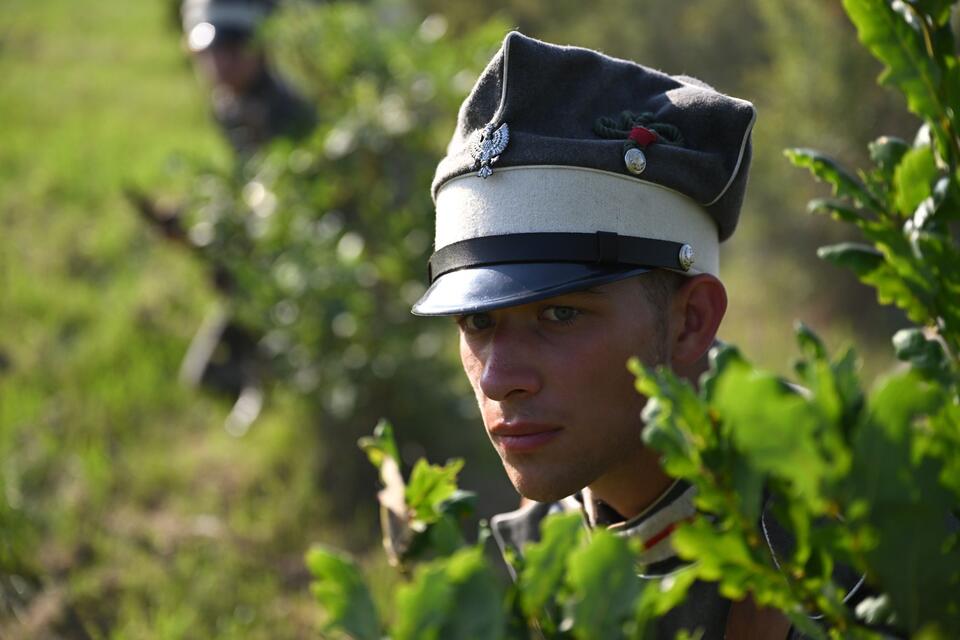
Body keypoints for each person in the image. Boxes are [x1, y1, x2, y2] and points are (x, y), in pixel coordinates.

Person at [411, 32, 862, 638]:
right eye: (478, 321)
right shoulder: (545, 543)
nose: (497, 378)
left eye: (560, 315)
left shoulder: (856, 534)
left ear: (691, 321)